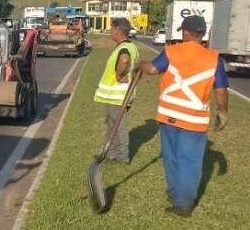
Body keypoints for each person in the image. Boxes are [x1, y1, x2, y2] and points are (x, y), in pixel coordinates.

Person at [134, 15, 229, 217]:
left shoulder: (171, 51)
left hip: (169, 117)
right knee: (190, 162)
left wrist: (140, 64)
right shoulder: (214, 59)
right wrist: (223, 112)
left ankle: (177, 197)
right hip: (194, 121)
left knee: (171, 158)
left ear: (185, 32)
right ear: (202, 34)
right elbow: (221, 89)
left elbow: (151, 69)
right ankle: (183, 202)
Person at [93, 17, 139, 163]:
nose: (110, 32)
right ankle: (111, 154)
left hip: (117, 95)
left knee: (118, 125)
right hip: (119, 95)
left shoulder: (124, 48)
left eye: (112, 29)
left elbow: (124, 59)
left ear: (118, 30)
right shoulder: (131, 46)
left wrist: (119, 76)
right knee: (112, 124)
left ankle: (122, 155)